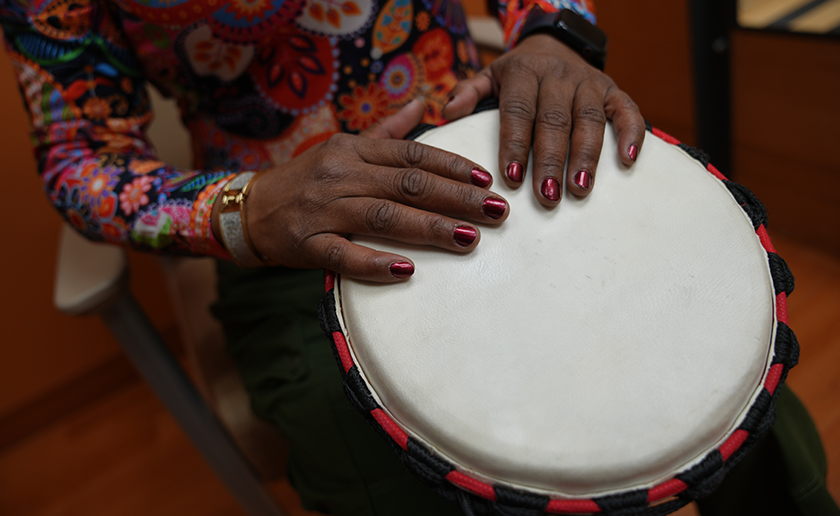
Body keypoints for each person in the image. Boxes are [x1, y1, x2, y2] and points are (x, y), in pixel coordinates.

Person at [0, 0, 835, 513]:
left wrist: (553, 33)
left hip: (492, 149)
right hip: (288, 236)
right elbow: (82, 155)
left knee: (712, 367)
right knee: (361, 455)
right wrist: (244, 207)